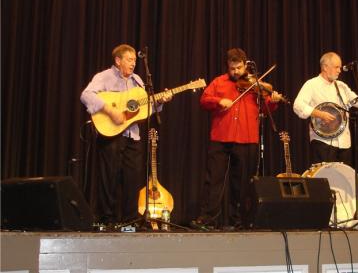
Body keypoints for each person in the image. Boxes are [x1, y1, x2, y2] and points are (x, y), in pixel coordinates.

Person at [81, 43, 172, 224]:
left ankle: (130, 220)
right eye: (129, 60)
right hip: (111, 135)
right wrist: (109, 110)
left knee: (132, 179)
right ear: (118, 60)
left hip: (133, 136)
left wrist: (160, 101)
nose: (133, 64)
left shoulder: (137, 80)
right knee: (109, 179)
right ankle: (106, 219)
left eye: (134, 61)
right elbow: (86, 95)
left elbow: (143, 109)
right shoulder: (104, 77)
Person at [191, 48, 282, 230]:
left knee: (241, 184)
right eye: (232, 68)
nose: (235, 72)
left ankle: (239, 220)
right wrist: (219, 101)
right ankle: (208, 219)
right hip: (221, 137)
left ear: (245, 65)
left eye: (239, 68)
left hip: (247, 139)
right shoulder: (219, 82)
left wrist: (274, 101)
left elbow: (265, 110)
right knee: (214, 179)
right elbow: (204, 100)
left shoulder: (254, 84)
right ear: (228, 66)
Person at [293, 52, 358, 166]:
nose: (339, 70)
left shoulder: (342, 86)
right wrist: (320, 114)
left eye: (340, 67)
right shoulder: (311, 84)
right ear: (325, 67)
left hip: (344, 142)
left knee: (342, 180)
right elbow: (298, 105)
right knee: (324, 181)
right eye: (336, 67)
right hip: (322, 142)